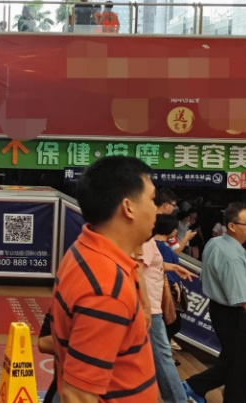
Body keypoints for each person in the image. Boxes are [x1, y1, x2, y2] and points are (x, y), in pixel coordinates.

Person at [50, 156, 159, 402]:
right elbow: (78, 396)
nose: (156, 209)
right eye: (152, 199)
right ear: (129, 207)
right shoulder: (107, 288)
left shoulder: (84, 250)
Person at [183, 202, 246, 403]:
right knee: (240, 368)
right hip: (234, 316)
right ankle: (194, 388)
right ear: (232, 226)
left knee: (232, 361)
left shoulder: (215, 242)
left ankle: (193, 388)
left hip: (219, 310)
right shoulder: (231, 257)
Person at [136, 214, 197, 403]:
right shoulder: (146, 241)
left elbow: (150, 264)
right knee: (163, 357)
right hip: (151, 309)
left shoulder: (149, 241)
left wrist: (171, 268)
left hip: (151, 307)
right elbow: (137, 270)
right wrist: (146, 307)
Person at [153, 214, 185, 352]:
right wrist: (173, 283)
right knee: (172, 323)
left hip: (161, 289)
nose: (176, 231)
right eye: (175, 228)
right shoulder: (163, 247)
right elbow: (163, 267)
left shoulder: (155, 244)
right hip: (166, 290)